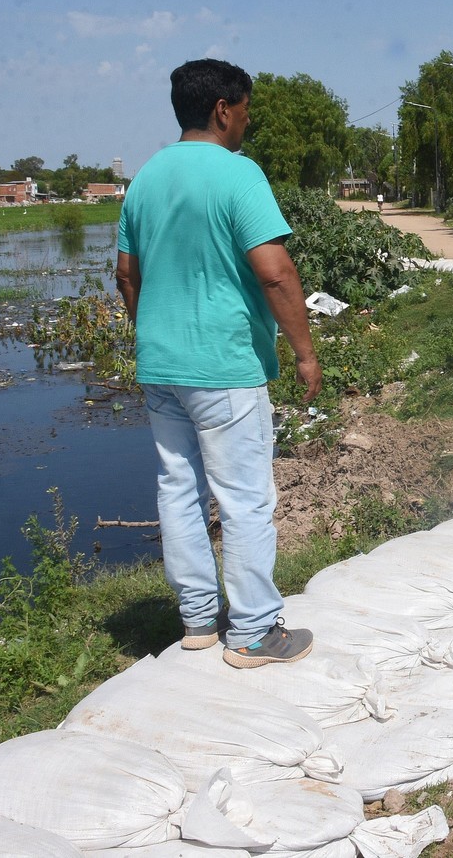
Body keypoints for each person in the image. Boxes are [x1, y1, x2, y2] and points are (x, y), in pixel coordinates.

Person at [115, 59, 321, 669]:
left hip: (161, 365)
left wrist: (155, 332)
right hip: (224, 367)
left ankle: (200, 620)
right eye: (247, 109)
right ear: (223, 109)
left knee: (177, 491)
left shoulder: (147, 178)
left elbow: (127, 275)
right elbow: (275, 270)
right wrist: (305, 352)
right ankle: (255, 631)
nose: (248, 122)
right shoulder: (238, 175)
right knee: (244, 498)